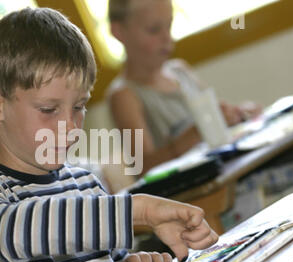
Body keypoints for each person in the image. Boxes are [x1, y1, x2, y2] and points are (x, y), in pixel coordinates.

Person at [0, 7, 218, 262]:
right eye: (48, 110)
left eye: (78, 107)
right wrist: (138, 210)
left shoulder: (86, 184)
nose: (69, 126)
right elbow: (7, 236)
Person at [107, 0, 262, 174]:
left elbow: (218, 117)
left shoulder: (180, 70)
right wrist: (198, 132)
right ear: (119, 32)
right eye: (154, 29)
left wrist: (237, 114)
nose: (167, 38)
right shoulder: (124, 95)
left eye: (169, 25)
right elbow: (143, 167)